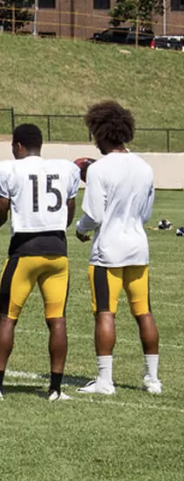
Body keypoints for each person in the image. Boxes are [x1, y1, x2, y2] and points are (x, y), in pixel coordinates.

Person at [0, 123, 82, 400]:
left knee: (7, 318)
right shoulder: (65, 169)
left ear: (18, 146)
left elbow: (0, 210)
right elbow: (69, 210)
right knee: (57, 319)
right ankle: (56, 389)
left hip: (24, 250)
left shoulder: (9, 169)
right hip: (58, 251)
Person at [75, 100, 162, 396]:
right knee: (144, 312)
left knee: (105, 313)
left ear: (101, 133)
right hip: (138, 248)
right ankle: (153, 379)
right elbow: (147, 215)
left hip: (108, 252)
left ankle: (105, 380)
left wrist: (80, 228)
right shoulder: (145, 167)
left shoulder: (99, 170)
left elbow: (95, 216)